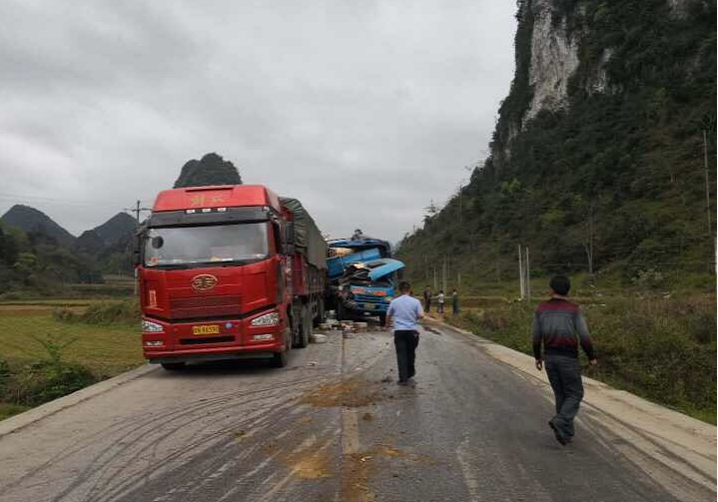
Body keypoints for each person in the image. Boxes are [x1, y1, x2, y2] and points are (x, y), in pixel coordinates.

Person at [532, 275, 597, 445]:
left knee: (561, 394)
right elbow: (584, 336)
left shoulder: (541, 309)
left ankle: (565, 433)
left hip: (550, 358)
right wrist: (592, 357)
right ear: (568, 291)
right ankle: (561, 421)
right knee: (575, 393)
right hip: (568, 358)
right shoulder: (574, 310)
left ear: (551, 289)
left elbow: (536, 337)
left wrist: (538, 356)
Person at [387, 281, 424, 386]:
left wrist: (387, 325)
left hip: (399, 331)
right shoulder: (415, 302)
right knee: (411, 352)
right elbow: (421, 315)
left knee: (401, 354)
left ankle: (403, 378)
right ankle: (410, 372)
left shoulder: (394, 302)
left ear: (399, 290)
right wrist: (414, 318)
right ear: (409, 289)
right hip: (412, 331)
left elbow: (388, 315)